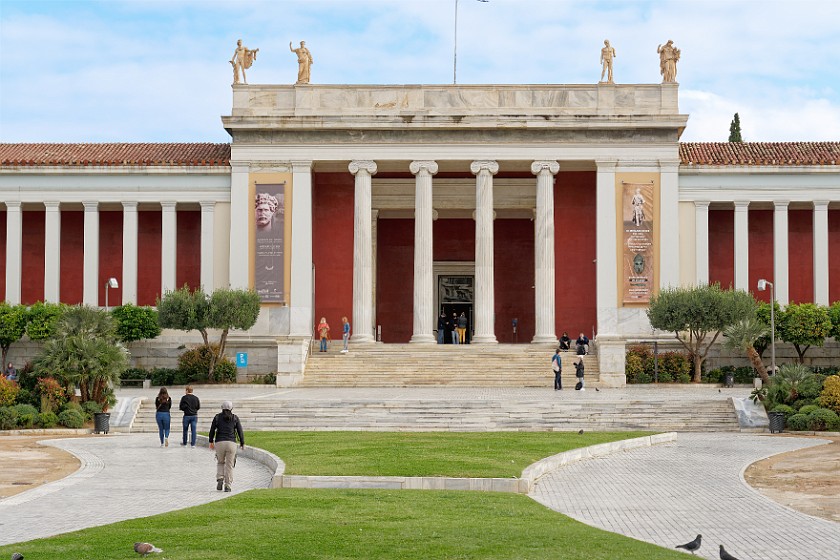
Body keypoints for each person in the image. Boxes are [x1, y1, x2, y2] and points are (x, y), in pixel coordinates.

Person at [209, 400, 245, 493]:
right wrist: (242, 443)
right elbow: (240, 431)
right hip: (231, 443)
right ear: (231, 408)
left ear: (222, 408)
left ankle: (220, 478)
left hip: (219, 442)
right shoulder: (235, 418)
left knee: (220, 462)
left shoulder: (217, 417)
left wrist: (210, 441)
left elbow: (212, 430)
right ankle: (228, 485)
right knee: (229, 464)